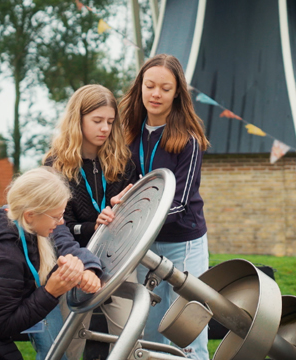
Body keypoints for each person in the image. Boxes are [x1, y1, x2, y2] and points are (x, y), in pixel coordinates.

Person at [0, 167, 102, 360]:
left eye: (62, 215)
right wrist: (50, 292)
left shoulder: (26, 223)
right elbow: (4, 326)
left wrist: (88, 268)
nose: (60, 222)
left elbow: (65, 242)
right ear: (30, 215)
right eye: (56, 216)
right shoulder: (1, 258)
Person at [119, 53, 210, 360]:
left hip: (183, 243)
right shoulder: (128, 136)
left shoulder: (188, 141)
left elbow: (181, 203)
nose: (156, 94)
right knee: (152, 331)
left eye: (165, 88)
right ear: (140, 87)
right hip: (145, 245)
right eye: (150, 86)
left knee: (187, 331)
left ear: (177, 94)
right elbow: (121, 190)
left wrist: (134, 223)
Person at [40, 84, 135, 360]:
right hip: (73, 263)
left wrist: (123, 210)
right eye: (97, 121)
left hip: (117, 258)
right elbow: (58, 227)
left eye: (110, 122)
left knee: (130, 338)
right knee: (71, 343)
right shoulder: (55, 165)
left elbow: (137, 216)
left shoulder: (123, 161)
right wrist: (95, 225)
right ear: (77, 119)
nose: (104, 128)